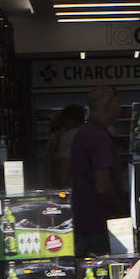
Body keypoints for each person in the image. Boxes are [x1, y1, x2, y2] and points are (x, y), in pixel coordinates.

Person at [69, 85, 124, 259]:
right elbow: (103, 186)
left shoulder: (84, 134)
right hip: (100, 225)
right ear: (107, 105)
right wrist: (121, 213)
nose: (119, 106)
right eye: (117, 101)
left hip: (84, 221)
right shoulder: (99, 138)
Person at [49, 104, 84, 188]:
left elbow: (64, 165)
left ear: (67, 119)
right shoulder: (90, 134)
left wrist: (61, 187)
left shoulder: (67, 136)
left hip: (72, 187)